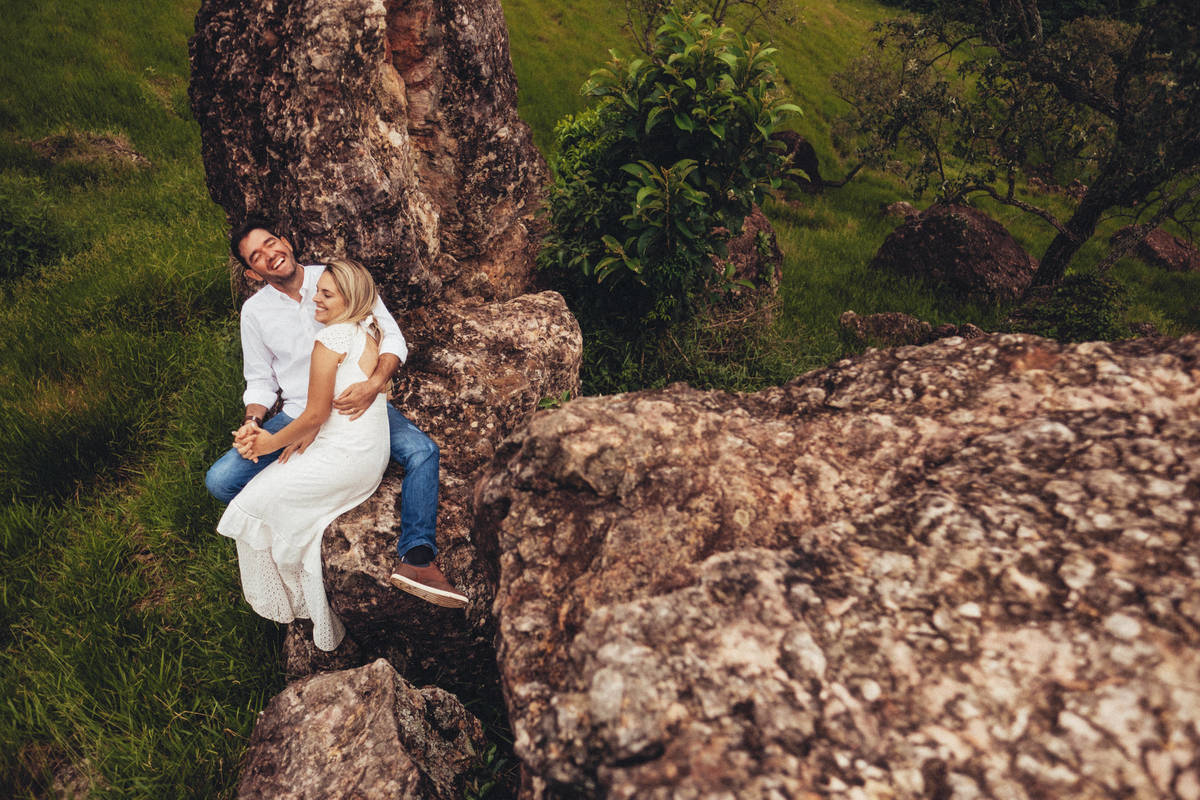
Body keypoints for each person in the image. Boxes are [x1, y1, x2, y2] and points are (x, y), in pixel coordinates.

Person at [205, 217, 468, 616]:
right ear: (251, 272)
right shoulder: (254, 312)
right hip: (298, 410)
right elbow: (259, 380)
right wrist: (253, 422)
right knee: (221, 480)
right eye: (256, 256)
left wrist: (374, 383)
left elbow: (392, 336)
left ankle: (417, 557)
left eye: (271, 243)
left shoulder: (335, 278)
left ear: (287, 242)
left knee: (422, 451)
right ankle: (304, 510)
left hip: (352, 404)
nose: (269, 255)